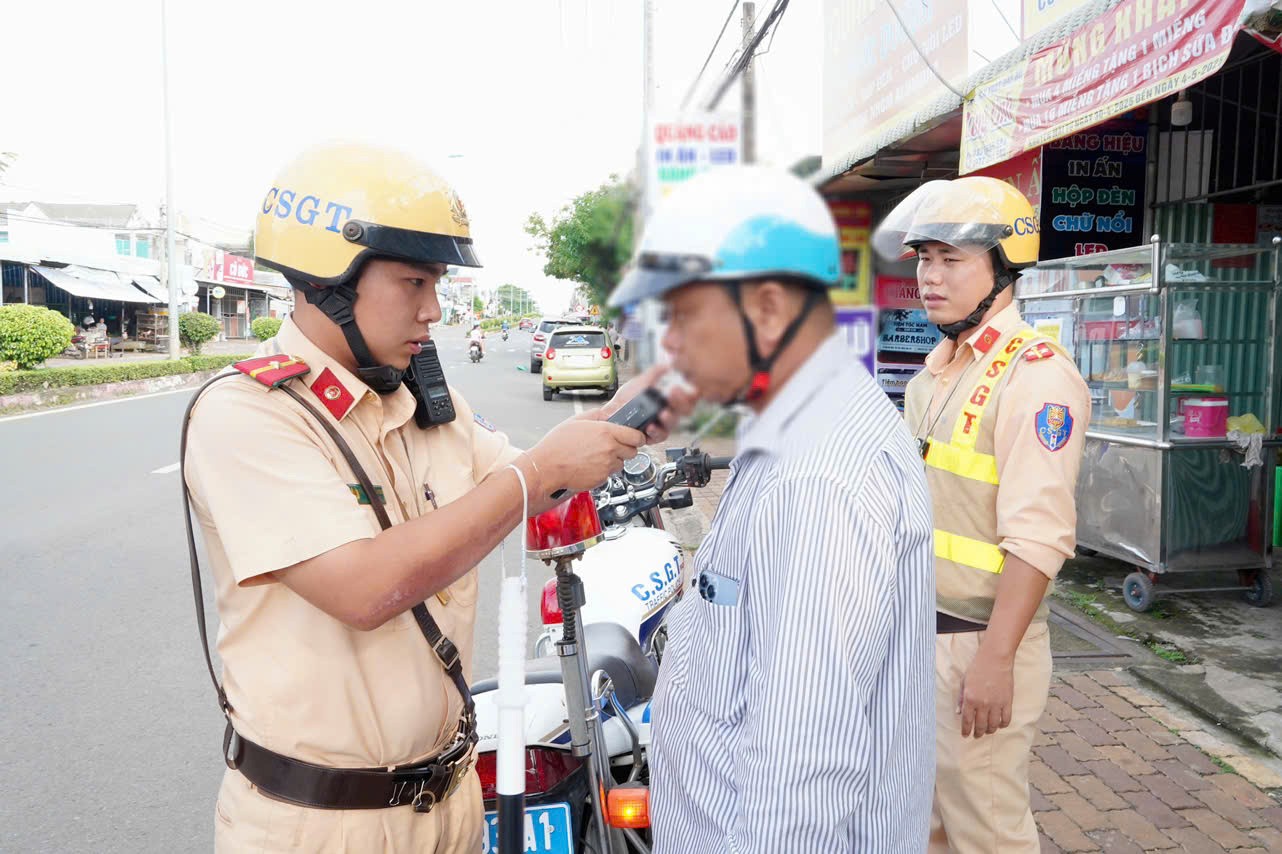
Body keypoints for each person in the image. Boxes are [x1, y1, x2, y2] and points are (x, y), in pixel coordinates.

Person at [181, 142, 692, 853]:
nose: (432, 311)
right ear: (329, 280)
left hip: (450, 803)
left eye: (438, 285)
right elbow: (364, 587)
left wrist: (625, 418)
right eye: (414, 283)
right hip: (322, 826)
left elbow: (532, 488)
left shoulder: (422, 406)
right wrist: (537, 474)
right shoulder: (252, 415)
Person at [610, 165, 936, 853]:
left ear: (765, 310)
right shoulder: (797, 432)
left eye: (685, 316)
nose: (668, 345)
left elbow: (802, 762)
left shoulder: (815, 477)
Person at [874, 177, 1090, 854]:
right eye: (923, 259)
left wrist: (995, 661)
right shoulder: (935, 372)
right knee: (932, 823)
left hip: (981, 644)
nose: (930, 278)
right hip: (922, 639)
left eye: (951, 259)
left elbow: (1039, 536)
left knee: (988, 831)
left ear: (1002, 267)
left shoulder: (1037, 375)